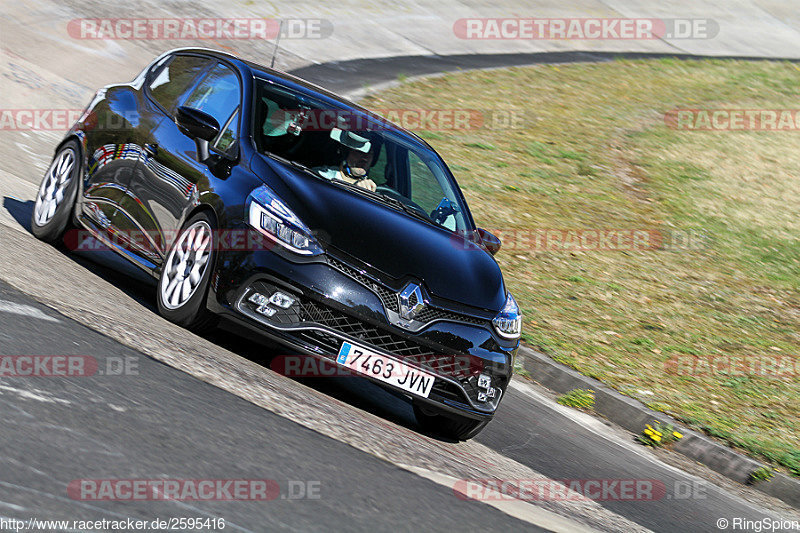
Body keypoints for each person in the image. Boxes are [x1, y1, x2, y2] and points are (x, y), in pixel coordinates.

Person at [314, 129, 382, 192]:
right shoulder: (321, 177)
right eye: (360, 152)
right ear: (345, 153)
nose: (366, 158)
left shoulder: (373, 190)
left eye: (370, 154)